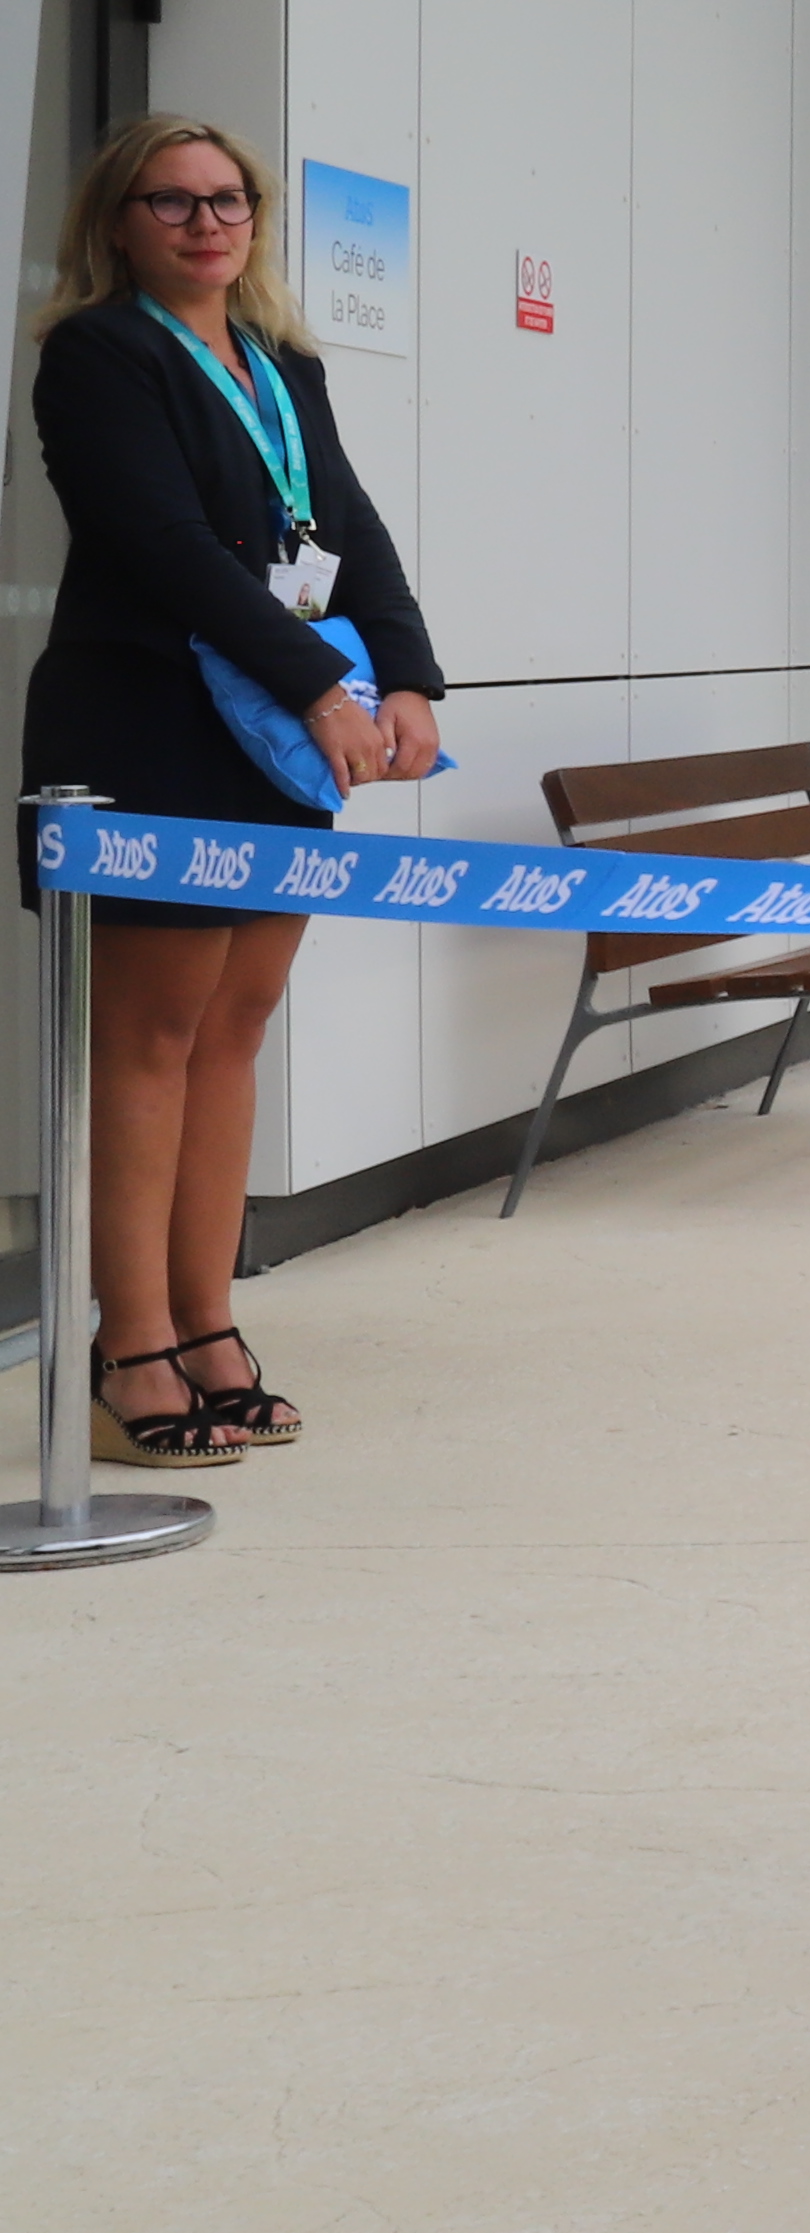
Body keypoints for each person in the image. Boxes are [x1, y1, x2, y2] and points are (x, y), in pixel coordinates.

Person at [19, 116, 445, 1466]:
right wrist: (324, 685)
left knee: (237, 1024)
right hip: (150, 716)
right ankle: (128, 1340)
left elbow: (342, 526)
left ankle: (210, 1326)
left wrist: (410, 681)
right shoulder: (99, 354)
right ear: (120, 223)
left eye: (229, 201)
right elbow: (159, 543)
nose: (207, 224)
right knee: (152, 1036)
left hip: (271, 725)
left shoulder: (282, 365)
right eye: (172, 203)